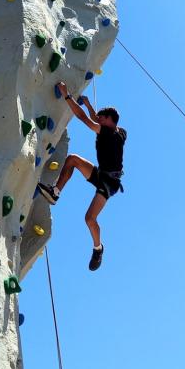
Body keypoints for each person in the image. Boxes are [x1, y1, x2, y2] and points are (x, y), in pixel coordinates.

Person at [38, 81, 126, 271]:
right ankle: (55, 192)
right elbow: (95, 118)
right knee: (72, 160)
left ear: (109, 120)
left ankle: (98, 248)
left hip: (109, 182)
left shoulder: (109, 133)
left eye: (102, 118)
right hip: (101, 173)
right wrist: (87, 103)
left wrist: (66, 95)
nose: (98, 120)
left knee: (89, 219)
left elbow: (84, 119)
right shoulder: (119, 131)